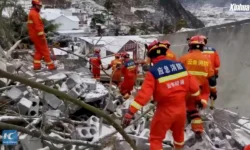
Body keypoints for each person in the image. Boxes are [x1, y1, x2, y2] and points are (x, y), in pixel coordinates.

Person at [122, 40, 201, 150]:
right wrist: (197, 99)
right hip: (181, 110)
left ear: (151, 57)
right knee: (179, 135)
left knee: (156, 138)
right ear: (164, 53)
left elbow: (144, 96)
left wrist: (130, 112)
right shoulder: (180, 66)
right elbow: (194, 88)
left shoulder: (153, 72)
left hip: (165, 111)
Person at [179, 35, 217, 137]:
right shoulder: (207, 61)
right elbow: (212, 80)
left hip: (182, 90)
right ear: (202, 46)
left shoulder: (183, 58)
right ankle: (198, 130)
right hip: (197, 92)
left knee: (179, 109)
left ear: (190, 45)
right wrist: (214, 92)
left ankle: (178, 131)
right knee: (193, 109)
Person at [27, 0, 56, 71]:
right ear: (34, 5)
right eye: (38, 6)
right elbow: (38, 26)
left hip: (34, 36)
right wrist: (42, 36)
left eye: (40, 6)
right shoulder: (34, 14)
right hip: (38, 36)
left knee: (39, 51)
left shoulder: (32, 13)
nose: (40, 7)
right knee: (45, 50)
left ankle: (37, 66)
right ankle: (51, 66)